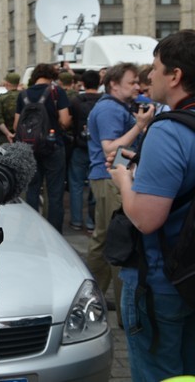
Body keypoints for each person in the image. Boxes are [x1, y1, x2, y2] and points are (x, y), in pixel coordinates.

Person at [110, 30, 195, 381]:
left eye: (156, 68)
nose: (150, 77)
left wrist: (124, 181)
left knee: (159, 372)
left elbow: (146, 219)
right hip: (191, 275)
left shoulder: (169, 131)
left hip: (162, 284)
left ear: (175, 76)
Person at [86, 62, 154, 326]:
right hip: (109, 179)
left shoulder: (114, 108)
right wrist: (140, 126)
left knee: (105, 239)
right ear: (114, 84)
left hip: (110, 179)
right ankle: (116, 307)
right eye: (132, 82)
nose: (138, 87)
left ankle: (96, 298)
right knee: (114, 239)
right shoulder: (108, 109)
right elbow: (110, 149)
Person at [13, 63, 71, 232]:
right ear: (52, 75)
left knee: (32, 190)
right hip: (53, 146)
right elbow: (65, 121)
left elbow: (16, 125)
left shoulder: (23, 94)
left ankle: (30, 229)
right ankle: (54, 232)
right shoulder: (56, 92)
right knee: (54, 193)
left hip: (29, 149)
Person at [68, 70, 101, 232]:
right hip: (99, 149)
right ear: (99, 83)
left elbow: (69, 122)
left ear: (83, 83)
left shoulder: (76, 101)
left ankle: (75, 220)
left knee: (76, 185)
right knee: (95, 185)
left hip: (79, 146)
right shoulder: (103, 102)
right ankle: (91, 222)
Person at [0, 72, 20, 145]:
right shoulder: (25, 96)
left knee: (3, 154)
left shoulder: (1, 98)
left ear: (7, 83)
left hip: (5, 137)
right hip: (23, 135)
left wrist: (8, 133)